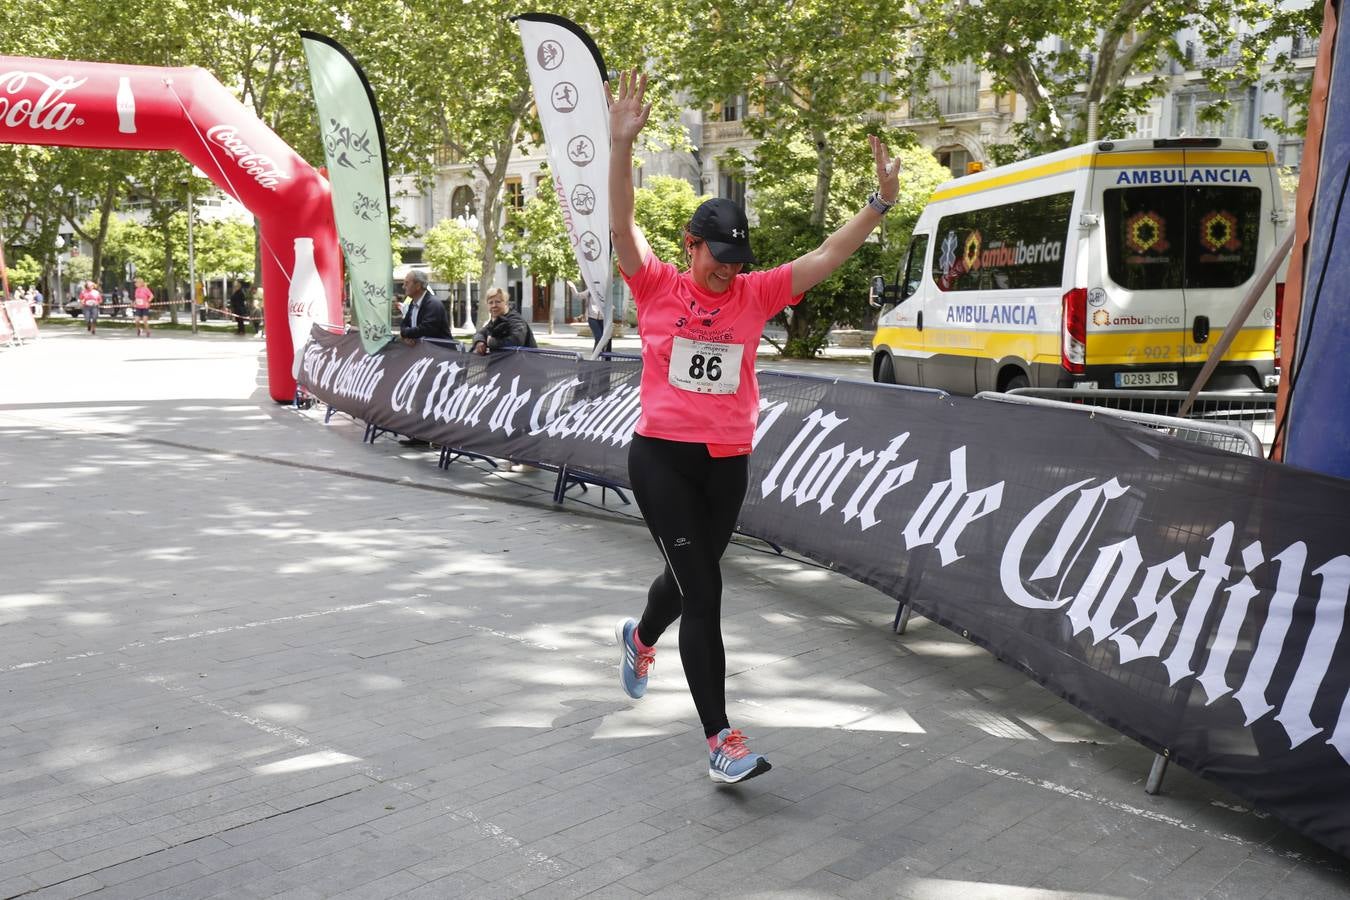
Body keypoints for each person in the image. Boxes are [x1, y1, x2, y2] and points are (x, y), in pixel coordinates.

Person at [608, 69, 901, 784]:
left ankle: (640, 636)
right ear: (691, 245)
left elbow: (828, 256)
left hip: (726, 461)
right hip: (662, 460)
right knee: (704, 589)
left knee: (686, 581)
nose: (727, 274)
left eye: (738, 261)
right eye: (718, 259)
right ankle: (720, 740)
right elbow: (620, 224)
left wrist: (878, 206)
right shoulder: (654, 284)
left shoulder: (755, 292)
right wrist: (620, 146)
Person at [470, 287, 537, 355]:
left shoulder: (515, 319)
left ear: (505, 303)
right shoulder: (496, 318)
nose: (494, 305)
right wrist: (480, 342)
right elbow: (480, 333)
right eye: (490, 302)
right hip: (505, 361)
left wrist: (491, 342)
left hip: (524, 362)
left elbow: (516, 341)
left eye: (498, 302)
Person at [399, 270, 449, 344]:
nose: (403, 287)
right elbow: (404, 324)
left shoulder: (433, 303)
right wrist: (406, 337)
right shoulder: (413, 303)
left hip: (439, 351)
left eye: (407, 283)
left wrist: (404, 333)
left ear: (418, 285)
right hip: (422, 352)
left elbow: (426, 329)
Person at [569, 279, 612, 354]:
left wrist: (611, 307)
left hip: (603, 318)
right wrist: (573, 287)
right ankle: (596, 355)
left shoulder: (606, 292)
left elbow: (608, 304)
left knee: (607, 338)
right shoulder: (590, 291)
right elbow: (578, 296)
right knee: (599, 337)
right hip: (592, 318)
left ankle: (603, 357)